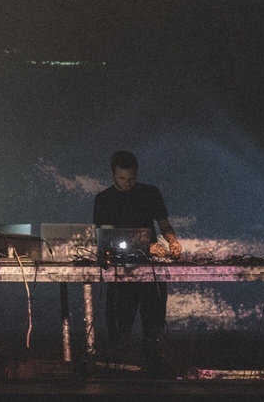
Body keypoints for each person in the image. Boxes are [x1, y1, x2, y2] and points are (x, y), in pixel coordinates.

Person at [92, 150, 182, 371]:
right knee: (119, 330)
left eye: (131, 177)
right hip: (122, 273)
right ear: (113, 174)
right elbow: (108, 239)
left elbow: (164, 224)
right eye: (122, 178)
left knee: (154, 328)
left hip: (151, 272)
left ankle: (154, 372)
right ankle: (119, 372)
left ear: (137, 173)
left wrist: (173, 241)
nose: (127, 182)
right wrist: (146, 247)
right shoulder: (104, 199)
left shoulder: (150, 193)